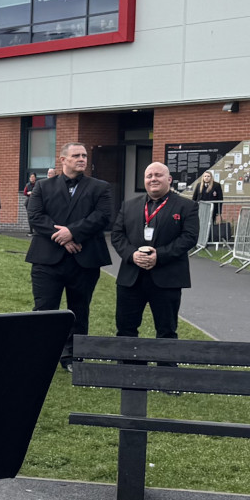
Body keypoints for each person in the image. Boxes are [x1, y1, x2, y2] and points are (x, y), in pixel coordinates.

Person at [24, 141, 113, 362]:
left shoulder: (100, 187)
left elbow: (102, 216)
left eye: (84, 155)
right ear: (63, 160)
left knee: (79, 310)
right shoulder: (44, 186)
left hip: (84, 259)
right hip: (47, 260)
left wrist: (72, 232)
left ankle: (74, 356)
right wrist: (64, 239)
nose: (82, 159)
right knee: (45, 310)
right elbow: (36, 217)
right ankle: (42, 354)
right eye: (76, 155)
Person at [110, 162, 198, 340]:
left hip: (167, 277)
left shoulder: (187, 206)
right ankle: (130, 366)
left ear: (169, 179)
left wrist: (160, 256)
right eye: (149, 176)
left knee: (166, 331)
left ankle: (165, 367)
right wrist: (132, 255)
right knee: (126, 328)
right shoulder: (129, 206)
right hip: (131, 278)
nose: (153, 179)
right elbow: (117, 235)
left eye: (158, 175)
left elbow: (189, 237)